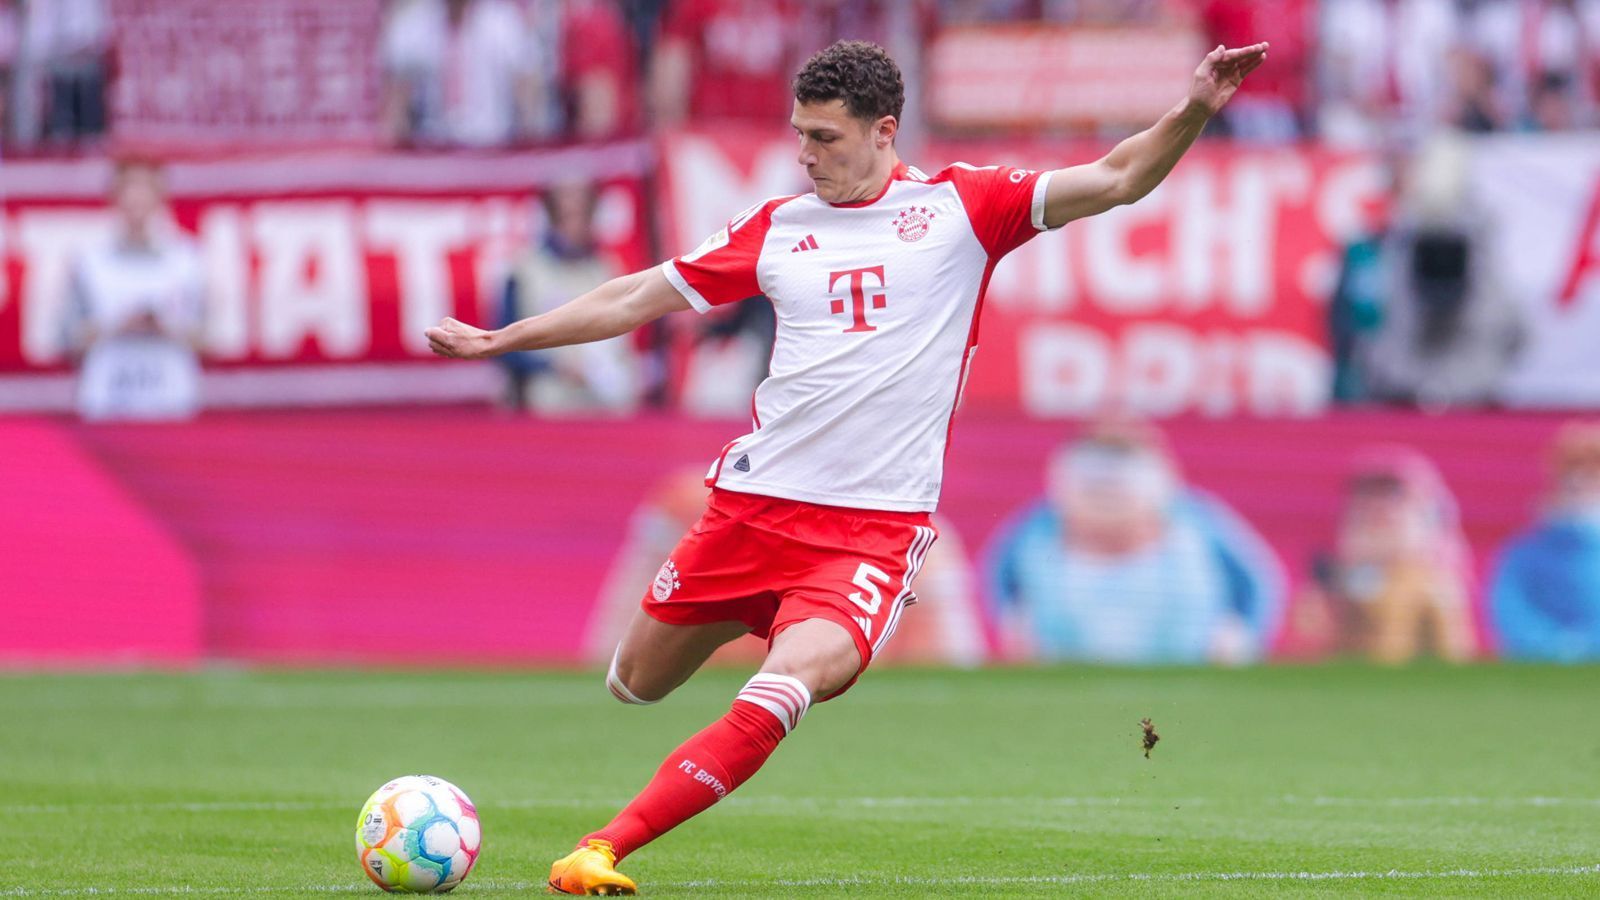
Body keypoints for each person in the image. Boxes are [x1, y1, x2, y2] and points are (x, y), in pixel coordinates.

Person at [426, 38, 1269, 894]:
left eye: (825, 137)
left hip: (868, 534)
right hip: (749, 512)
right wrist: (506, 339)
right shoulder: (778, 227)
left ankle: (600, 848)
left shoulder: (965, 210)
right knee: (633, 685)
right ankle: (757, 611)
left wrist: (1195, 106)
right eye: (800, 133)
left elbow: (1120, 176)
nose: (805, 153)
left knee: (786, 684)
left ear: (883, 132)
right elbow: (635, 295)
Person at [985, 422, 1284, 665]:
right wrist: (1011, 628)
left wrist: (1244, 638)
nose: (1107, 482)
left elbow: (1258, 582)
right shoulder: (1036, 530)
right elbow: (996, 578)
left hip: (1186, 672)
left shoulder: (1195, 523)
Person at [1294, 447, 1475, 663]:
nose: (1375, 506)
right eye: (1365, 495)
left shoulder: (1434, 588)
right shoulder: (1332, 584)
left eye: (1393, 495)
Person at [63, 158, 206, 422]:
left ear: (159, 197)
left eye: (144, 189)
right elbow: (67, 338)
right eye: (129, 189)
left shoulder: (186, 259)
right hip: (106, 398)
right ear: (115, 197)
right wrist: (117, 326)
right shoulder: (90, 261)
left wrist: (165, 327)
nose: (136, 200)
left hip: (171, 399)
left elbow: (208, 337)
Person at [498, 181, 640, 413]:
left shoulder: (605, 269)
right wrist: (553, 366)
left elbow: (624, 342)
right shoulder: (524, 271)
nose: (575, 225)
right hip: (547, 404)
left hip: (605, 404)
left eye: (582, 215)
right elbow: (503, 345)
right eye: (566, 215)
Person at [1490, 422, 1600, 661]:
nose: (1579, 482)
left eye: (1592, 473)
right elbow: (1511, 608)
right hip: (1541, 673)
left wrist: (1590, 645)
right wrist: (1556, 647)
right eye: (1572, 471)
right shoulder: (1525, 551)